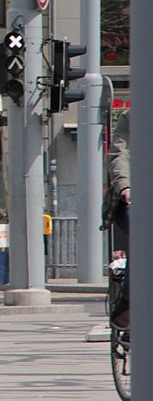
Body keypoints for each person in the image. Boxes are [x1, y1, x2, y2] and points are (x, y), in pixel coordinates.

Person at [105, 110, 130, 330]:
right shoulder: (132, 117)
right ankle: (128, 302)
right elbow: (119, 155)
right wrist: (125, 185)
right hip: (135, 200)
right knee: (143, 241)